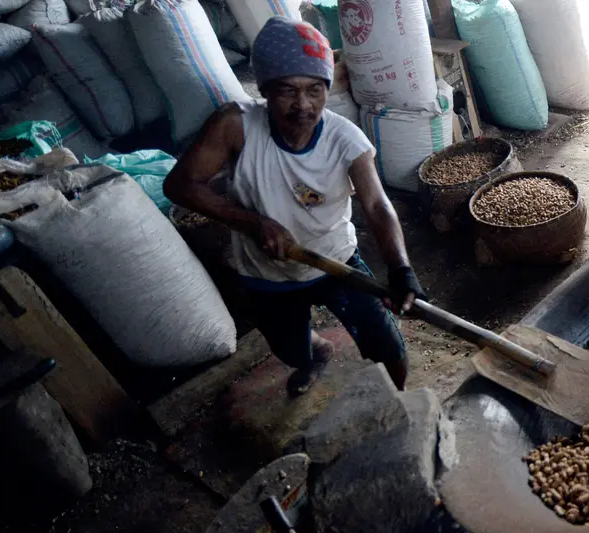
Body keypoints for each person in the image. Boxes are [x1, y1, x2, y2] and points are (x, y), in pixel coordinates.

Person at [164, 16, 423, 396]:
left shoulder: (345, 138)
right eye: (287, 91)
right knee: (289, 348)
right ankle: (315, 352)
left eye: (314, 90)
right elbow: (179, 185)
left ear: (325, 90)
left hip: (336, 261)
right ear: (266, 90)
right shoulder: (235, 125)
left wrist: (400, 267)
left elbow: (377, 204)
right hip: (266, 273)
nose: (303, 105)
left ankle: (402, 404)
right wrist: (253, 223)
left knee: (384, 342)